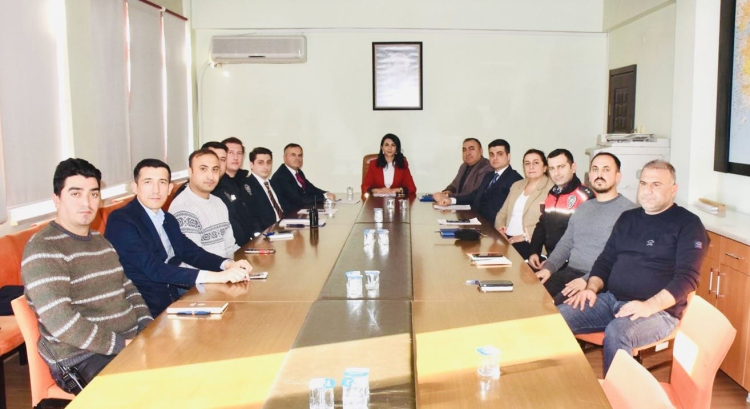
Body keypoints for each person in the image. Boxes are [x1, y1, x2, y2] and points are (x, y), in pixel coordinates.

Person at [558, 160, 708, 375]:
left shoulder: (688, 224)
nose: (647, 190)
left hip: (658, 312)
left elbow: (687, 279)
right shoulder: (627, 218)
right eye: (643, 183)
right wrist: (591, 289)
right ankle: (561, 384)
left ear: (673, 190)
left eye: (656, 184)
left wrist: (648, 306)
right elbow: (605, 260)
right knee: (558, 318)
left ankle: (618, 393)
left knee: (618, 331)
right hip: (611, 300)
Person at [21, 158, 153, 393]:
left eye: (93, 193)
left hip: (126, 342)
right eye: (75, 193)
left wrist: (147, 327)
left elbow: (128, 289)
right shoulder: (44, 248)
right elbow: (61, 321)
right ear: (56, 199)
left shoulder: (100, 241)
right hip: (82, 357)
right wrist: (122, 345)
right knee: (154, 390)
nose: (87, 202)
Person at [105, 159, 252, 317]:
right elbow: (154, 269)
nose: (156, 190)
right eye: (148, 182)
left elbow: (190, 251)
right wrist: (215, 277)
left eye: (162, 182)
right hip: (144, 309)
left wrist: (227, 264)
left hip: (174, 299)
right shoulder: (121, 220)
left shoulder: (167, 219)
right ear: (135, 187)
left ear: (169, 188)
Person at [534, 153, 635, 304]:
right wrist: (548, 268)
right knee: (530, 298)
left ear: (618, 176)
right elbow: (566, 244)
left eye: (606, 169)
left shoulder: (630, 212)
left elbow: (622, 259)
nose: (599, 174)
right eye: (595, 169)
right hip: (568, 273)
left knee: (551, 309)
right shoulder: (583, 207)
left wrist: (587, 280)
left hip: (597, 281)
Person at [528, 149, 595, 270]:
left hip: (572, 265)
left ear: (573, 167)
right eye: (552, 168)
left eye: (561, 167)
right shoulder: (553, 193)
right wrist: (534, 252)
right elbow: (542, 225)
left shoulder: (585, 196)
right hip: (551, 259)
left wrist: (554, 264)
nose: (556, 173)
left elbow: (585, 239)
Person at [168, 149, 239, 259]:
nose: (210, 176)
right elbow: (193, 260)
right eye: (203, 169)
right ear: (190, 172)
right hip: (206, 269)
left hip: (226, 266)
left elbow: (230, 247)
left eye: (215, 169)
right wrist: (227, 266)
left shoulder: (219, 202)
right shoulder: (183, 208)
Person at [436, 139, 521, 225]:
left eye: (499, 154)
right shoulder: (489, 176)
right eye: (491, 154)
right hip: (477, 222)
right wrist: (451, 200)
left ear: (508, 156)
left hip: (492, 226)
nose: (495, 158)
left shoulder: (515, 180)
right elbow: (474, 195)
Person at [495, 149, 555, 260]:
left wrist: (523, 236)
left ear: (545, 167)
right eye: (527, 163)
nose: (531, 167)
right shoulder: (516, 185)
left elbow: (550, 223)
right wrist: (501, 230)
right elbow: (502, 213)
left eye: (536, 163)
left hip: (530, 242)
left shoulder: (551, 189)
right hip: (507, 239)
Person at [202, 141, 258, 246]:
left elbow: (246, 217)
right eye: (214, 159)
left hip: (242, 246)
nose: (218, 164)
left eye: (222, 159)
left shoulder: (232, 184)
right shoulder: (202, 192)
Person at [271, 143, 335, 211]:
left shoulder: (298, 172)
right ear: (285, 157)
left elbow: (310, 188)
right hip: (288, 215)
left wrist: (326, 193)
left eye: (300, 155)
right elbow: (299, 199)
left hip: (300, 211)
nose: (297, 158)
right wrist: (324, 196)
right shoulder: (281, 176)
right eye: (293, 155)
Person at [244, 147, 285, 233]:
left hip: (284, 226)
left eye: (268, 162)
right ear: (251, 165)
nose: (266, 167)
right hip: (267, 232)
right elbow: (252, 217)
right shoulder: (247, 186)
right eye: (261, 163)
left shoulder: (274, 184)